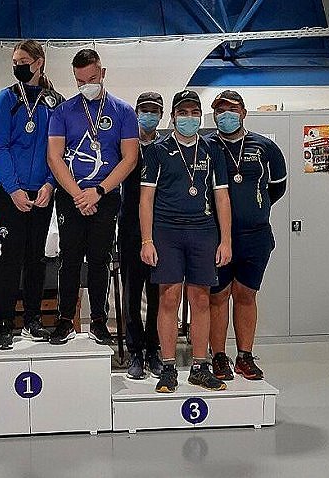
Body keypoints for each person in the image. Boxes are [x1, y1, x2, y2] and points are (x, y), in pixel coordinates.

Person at [139, 90, 232, 393]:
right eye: (183, 112)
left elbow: (222, 197)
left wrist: (226, 240)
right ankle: (168, 367)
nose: (189, 117)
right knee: (169, 298)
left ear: (200, 116)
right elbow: (146, 198)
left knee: (201, 299)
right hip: (167, 231)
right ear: (173, 116)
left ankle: (200, 367)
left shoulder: (212, 149)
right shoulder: (158, 150)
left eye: (194, 112)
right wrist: (147, 240)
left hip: (203, 231)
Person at [46, 48, 139, 345]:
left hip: (105, 195)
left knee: (100, 259)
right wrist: (78, 195)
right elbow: (54, 157)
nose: (87, 84)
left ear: (102, 73)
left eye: (92, 78)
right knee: (69, 258)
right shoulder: (63, 112)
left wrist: (98, 192)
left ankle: (98, 320)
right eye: (80, 81)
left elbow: (129, 158)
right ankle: (65, 320)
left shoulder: (123, 111)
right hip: (71, 196)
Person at [206, 90, 287, 381]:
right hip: (216, 236)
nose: (226, 115)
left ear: (243, 112)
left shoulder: (265, 147)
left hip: (255, 236)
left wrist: (253, 209)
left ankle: (244, 356)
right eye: (220, 110)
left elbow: (277, 187)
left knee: (246, 294)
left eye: (232, 109)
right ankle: (218, 356)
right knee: (218, 296)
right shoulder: (207, 146)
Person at [0, 40, 65, 349]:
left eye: (23, 61)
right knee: (11, 257)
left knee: (36, 257)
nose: (18, 66)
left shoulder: (55, 102)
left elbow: (59, 150)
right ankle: (4, 324)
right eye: (15, 62)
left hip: (43, 190)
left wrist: (50, 184)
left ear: (39, 62)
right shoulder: (6, 98)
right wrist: (13, 189)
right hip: (10, 192)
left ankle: (32, 320)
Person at [122, 92, 164, 380]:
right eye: (144, 110)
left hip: (161, 229)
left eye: (154, 111)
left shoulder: (167, 147)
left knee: (158, 293)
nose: (149, 115)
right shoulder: (126, 145)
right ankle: (134, 350)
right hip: (129, 228)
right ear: (136, 112)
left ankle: (154, 349)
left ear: (161, 115)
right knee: (132, 293)